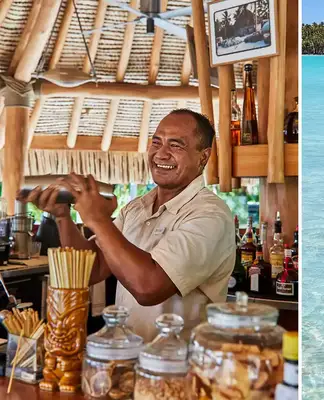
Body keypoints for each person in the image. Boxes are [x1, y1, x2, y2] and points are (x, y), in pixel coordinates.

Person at [18, 109, 236, 341]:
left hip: (179, 366)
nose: (161, 154)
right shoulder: (136, 208)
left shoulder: (210, 216)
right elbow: (92, 268)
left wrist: (99, 220)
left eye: (176, 145)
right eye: (156, 142)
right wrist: (63, 217)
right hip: (128, 356)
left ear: (203, 156)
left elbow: (148, 288)